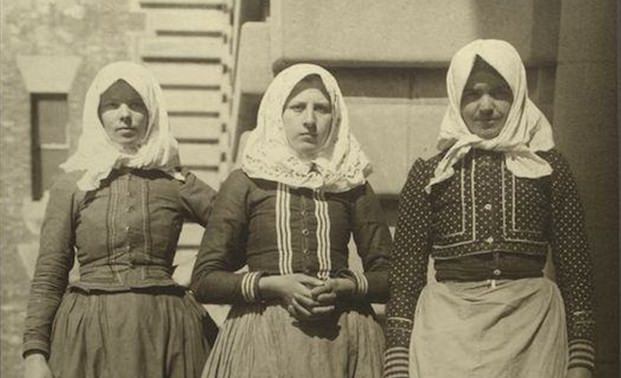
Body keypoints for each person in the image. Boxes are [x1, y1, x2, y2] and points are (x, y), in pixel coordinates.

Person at [383, 39, 595, 378]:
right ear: (455, 97)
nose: (485, 106)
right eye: (472, 94)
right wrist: (396, 359)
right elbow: (407, 272)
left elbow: (575, 264)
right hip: (448, 330)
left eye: (499, 92)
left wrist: (581, 355)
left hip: (531, 329)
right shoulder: (431, 170)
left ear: (518, 94)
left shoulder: (548, 166)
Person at [191, 63, 392, 377]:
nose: (309, 120)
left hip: (344, 340)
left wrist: (345, 286)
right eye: (297, 107)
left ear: (335, 116)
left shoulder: (351, 183)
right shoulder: (246, 181)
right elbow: (205, 280)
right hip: (261, 339)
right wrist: (273, 285)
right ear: (277, 113)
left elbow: (390, 276)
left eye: (321, 109)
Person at [22, 61, 218, 378]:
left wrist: (198, 265)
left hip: (166, 330)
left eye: (136, 104)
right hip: (89, 335)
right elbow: (49, 272)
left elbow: (241, 229)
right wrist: (34, 352)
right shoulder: (74, 183)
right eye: (112, 105)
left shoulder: (174, 181)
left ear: (152, 110)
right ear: (98, 113)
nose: (124, 115)